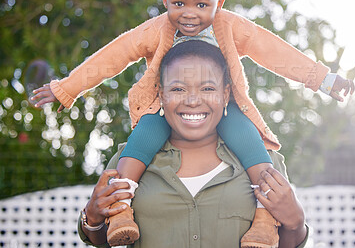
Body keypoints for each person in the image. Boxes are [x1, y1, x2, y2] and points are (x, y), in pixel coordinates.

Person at [31, 0, 355, 246]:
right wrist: (68, 87)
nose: (189, 14)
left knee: (254, 149)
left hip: (226, 110)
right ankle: (120, 211)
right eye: (178, 3)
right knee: (138, 144)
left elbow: (272, 51)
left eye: (202, 5)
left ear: (219, 1)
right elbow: (114, 55)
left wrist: (322, 79)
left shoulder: (229, 26)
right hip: (161, 108)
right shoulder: (155, 30)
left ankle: (265, 220)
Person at [78, 41, 309, 248]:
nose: (192, 101)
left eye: (208, 88)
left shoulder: (264, 163)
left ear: (226, 93)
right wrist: (93, 218)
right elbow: (104, 239)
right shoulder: (129, 160)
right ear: (161, 93)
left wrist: (295, 223)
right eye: (178, 89)